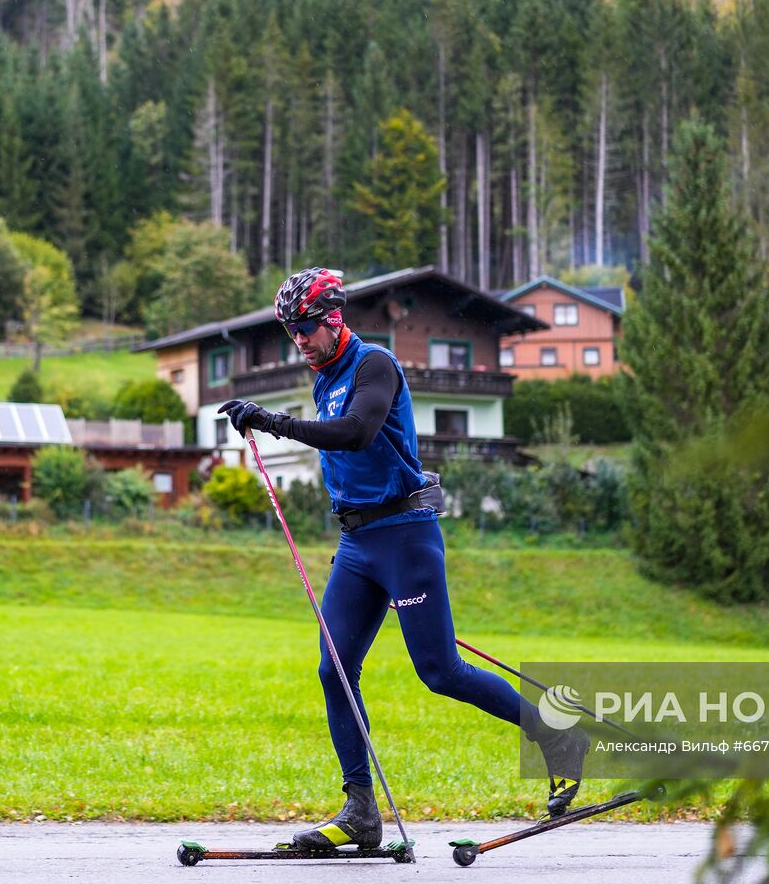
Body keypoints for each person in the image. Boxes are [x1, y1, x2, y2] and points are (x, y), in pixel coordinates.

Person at [219, 267, 589, 851]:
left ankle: (557, 738)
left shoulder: (375, 365)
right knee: (333, 669)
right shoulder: (322, 375)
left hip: (406, 536)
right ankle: (361, 810)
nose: (300, 342)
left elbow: (358, 432)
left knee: (439, 672)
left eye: (307, 329)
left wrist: (272, 422)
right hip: (357, 545)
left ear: (333, 318)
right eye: (292, 332)